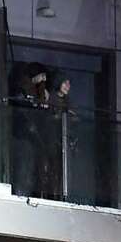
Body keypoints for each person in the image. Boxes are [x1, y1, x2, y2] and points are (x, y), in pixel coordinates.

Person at [9, 62, 48, 197]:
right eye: (42, 76)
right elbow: (22, 105)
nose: (43, 79)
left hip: (30, 137)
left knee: (30, 168)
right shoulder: (23, 87)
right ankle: (21, 193)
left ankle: (27, 193)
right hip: (22, 136)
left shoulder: (36, 90)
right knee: (23, 167)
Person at [42, 70, 72, 199]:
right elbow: (47, 117)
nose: (67, 86)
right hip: (51, 139)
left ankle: (58, 195)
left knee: (60, 170)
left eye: (69, 83)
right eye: (65, 82)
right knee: (51, 168)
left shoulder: (67, 101)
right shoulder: (51, 98)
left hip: (62, 141)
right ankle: (51, 195)